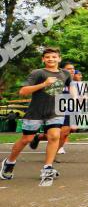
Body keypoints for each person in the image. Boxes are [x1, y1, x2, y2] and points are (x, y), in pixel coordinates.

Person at [2, 47, 72, 182]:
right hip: (36, 112)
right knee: (26, 140)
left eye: (54, 57)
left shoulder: (65, 74)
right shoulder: (38, 73)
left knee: (54, 137)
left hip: (54, 112)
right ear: (43, 59)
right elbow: (23, 91)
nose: (51, 59)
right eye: (47, 57)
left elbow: (70, 86)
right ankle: (9, 162)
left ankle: (47, 168)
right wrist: (44, 84)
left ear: (59, 59)